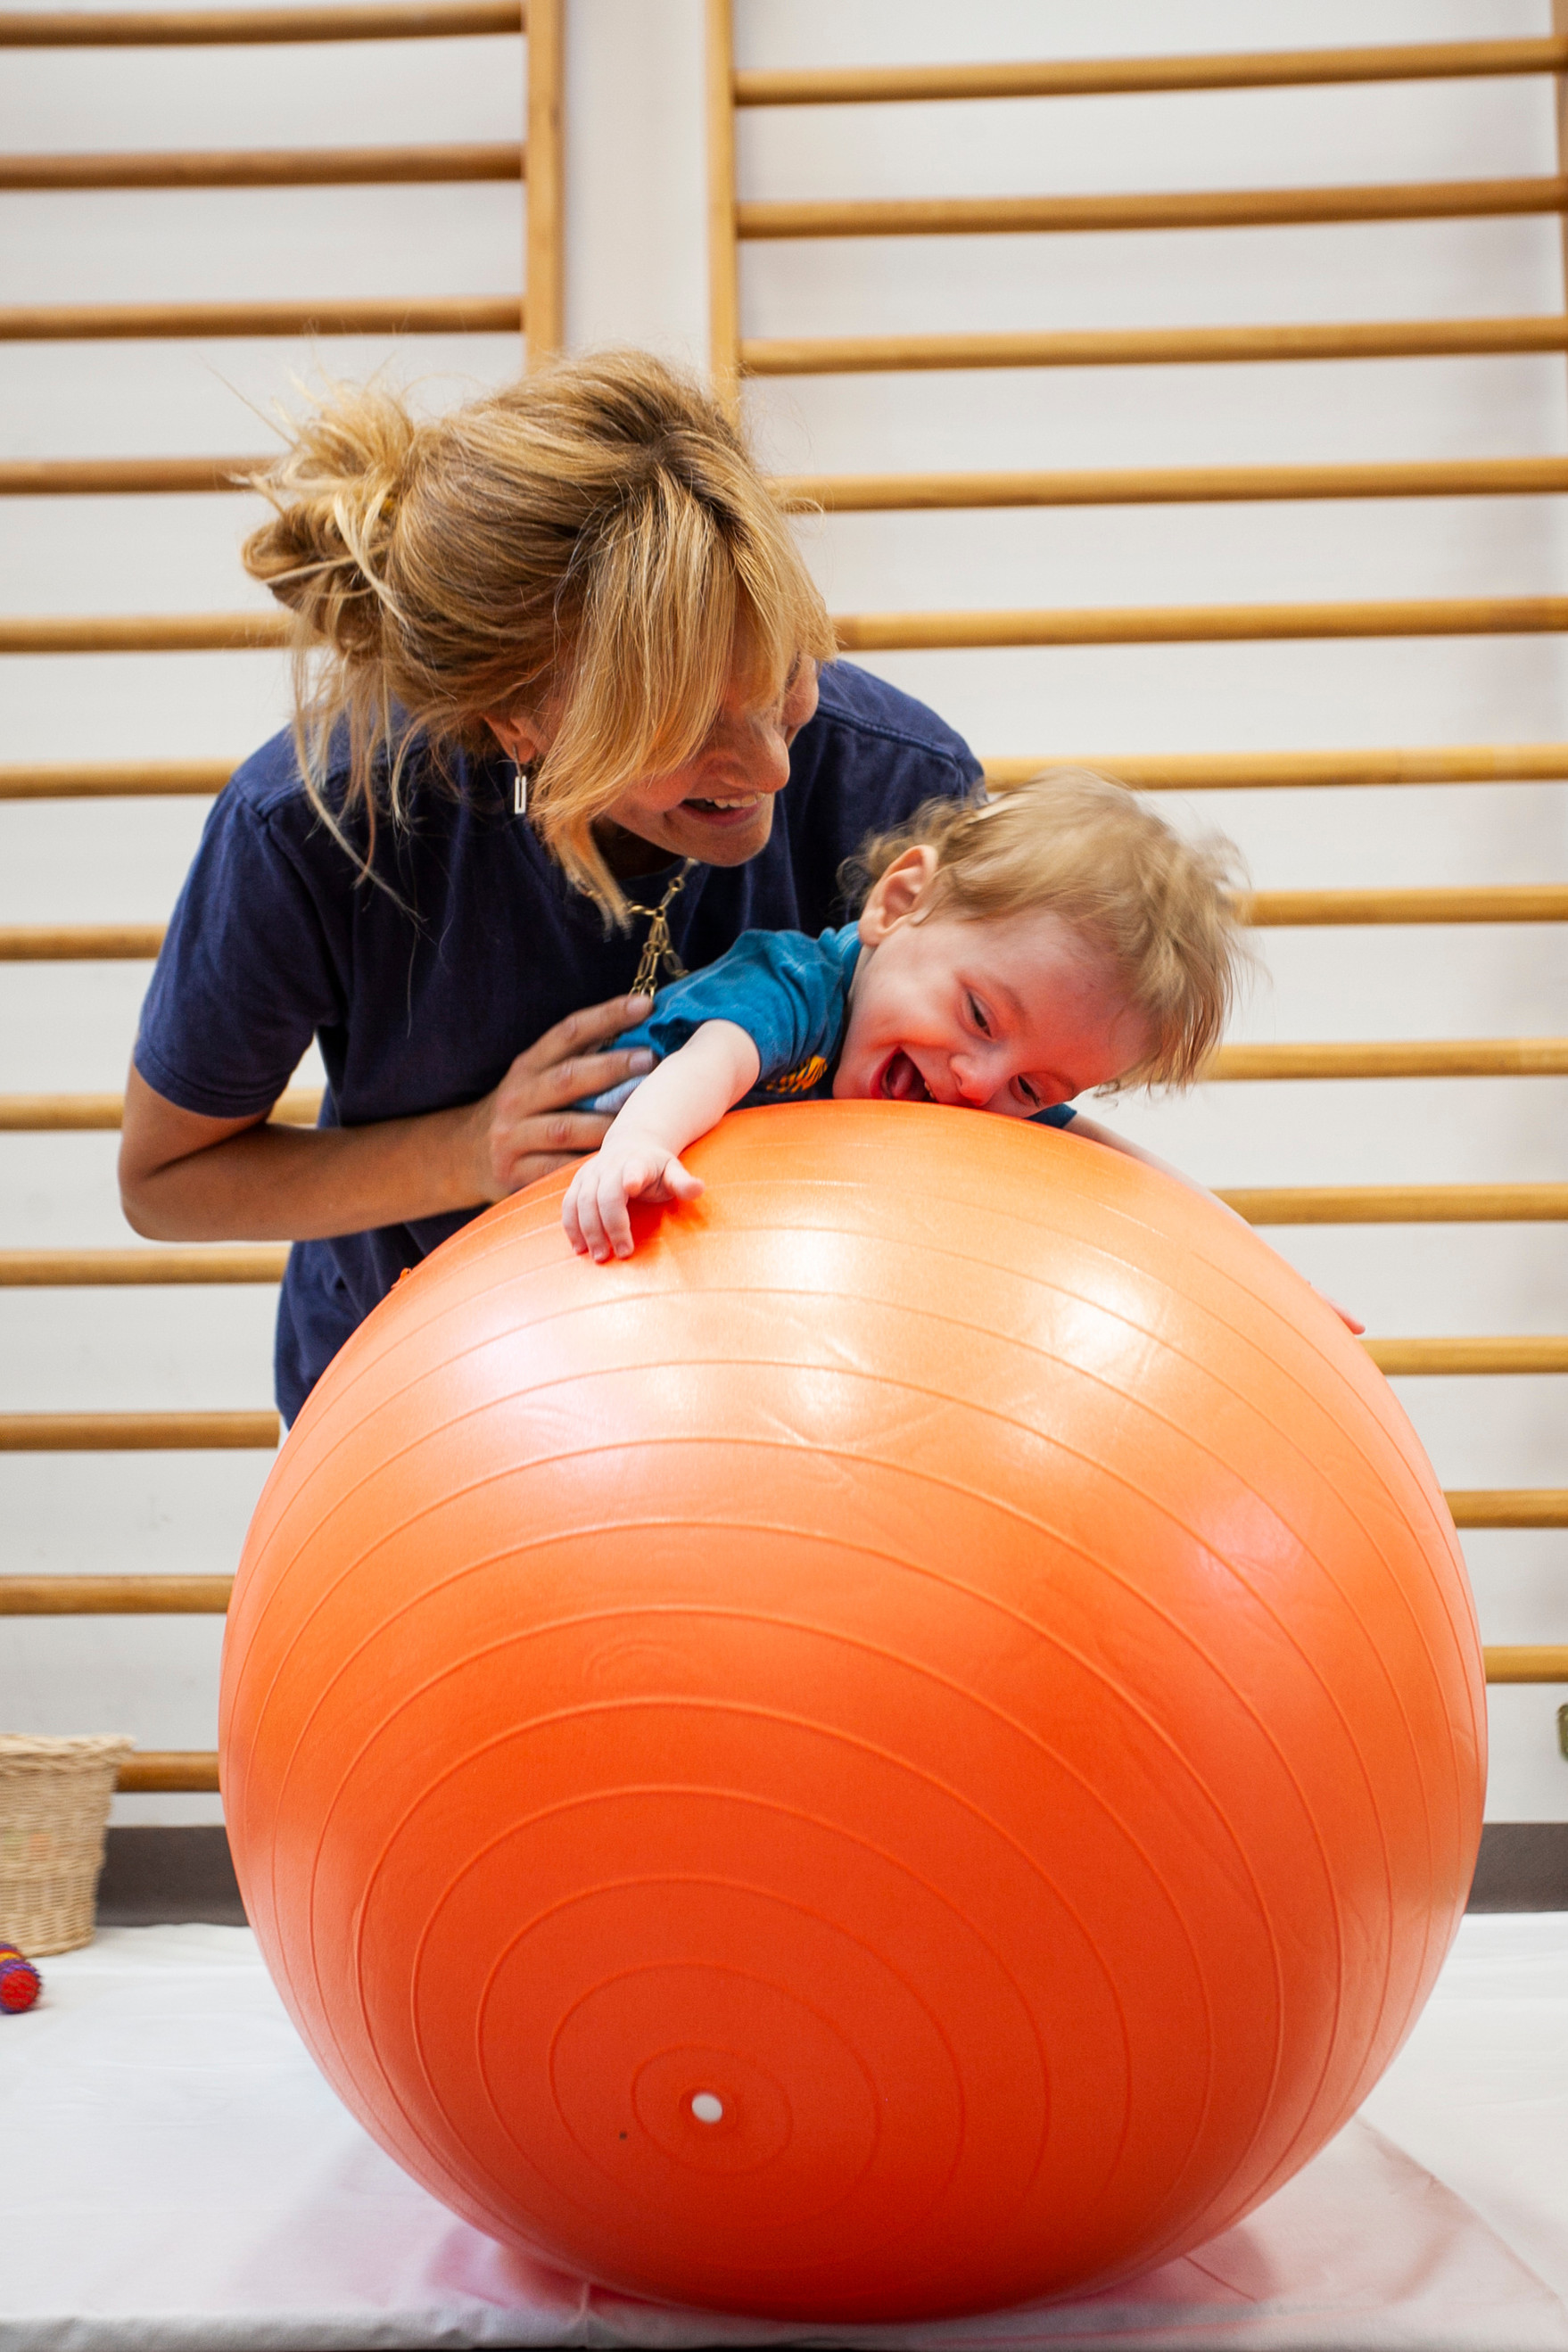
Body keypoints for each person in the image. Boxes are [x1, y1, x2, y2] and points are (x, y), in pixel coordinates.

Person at [119, 353, 984, 1424]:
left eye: (787, 676)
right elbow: (165, 1182)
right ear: (517, 726)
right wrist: (469, 1150)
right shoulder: (319, 825)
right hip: (429, 1411)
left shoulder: (904, 786)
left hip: (784, 1402)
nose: (771, 769)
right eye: (688, 730)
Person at [564, 769, 1246, 1261]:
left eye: (1033, 1088)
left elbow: (1105, 1156)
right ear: (899, 903)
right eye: (980, 1015)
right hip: (591, 1174)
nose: (980, 1086)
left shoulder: (980, 1087)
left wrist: (1238, 1249)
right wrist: (641, 1145)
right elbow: (716, 1059)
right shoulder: (798, 985)